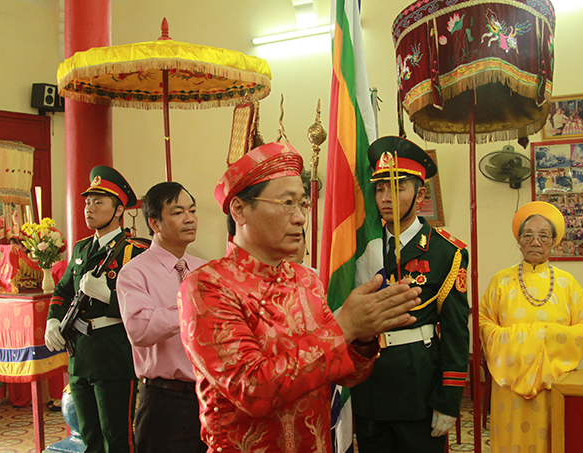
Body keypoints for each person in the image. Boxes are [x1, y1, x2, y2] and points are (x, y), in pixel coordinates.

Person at [177, 141, 423, 453]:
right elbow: (252, 389)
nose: (300, 218)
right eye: (287, 203)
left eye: (303, 204)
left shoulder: (306, 279)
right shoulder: (208, 286)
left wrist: (362, 337)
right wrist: (344, 327)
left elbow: (346, 375)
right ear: (239, 209)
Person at [351, 136, 470, 453]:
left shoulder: (446, 252)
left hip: (417, 387)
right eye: (379, 188)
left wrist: (449, 400)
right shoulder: (362, 250)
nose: (386, 197)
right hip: (369, 386)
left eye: (397, 187)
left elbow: (456, 332)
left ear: (420, 194)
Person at [479, 201, 583, 453]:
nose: (535, 242)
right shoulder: (501, 281)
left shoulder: (568, 283)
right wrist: (520, 344)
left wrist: (547, 338)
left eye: (543, 236)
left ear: (554, 242)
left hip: (551, 383)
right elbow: (484, 322)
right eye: (528, 235)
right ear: (519, 241)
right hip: (509, 383)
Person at [44, 165, 147, 453]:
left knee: (117, 439)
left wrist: (109, 298)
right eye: (87, 201)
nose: (89, 207)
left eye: (98, 202)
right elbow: (64, 291)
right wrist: (53, 321)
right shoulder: (80, 249)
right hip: (80, 354)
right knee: (89, 438)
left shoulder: (133, 251)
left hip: (113, 353)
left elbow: (144, 306)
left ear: (117, 210)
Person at [116, 181, 207, 453]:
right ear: (154, 223)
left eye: (192, 210)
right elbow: (140, 330)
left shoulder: (204, 269)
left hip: (207, 397)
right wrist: (191, 308)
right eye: (178, 212)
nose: (190, 218)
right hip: (165, 400)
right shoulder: (135, 273)